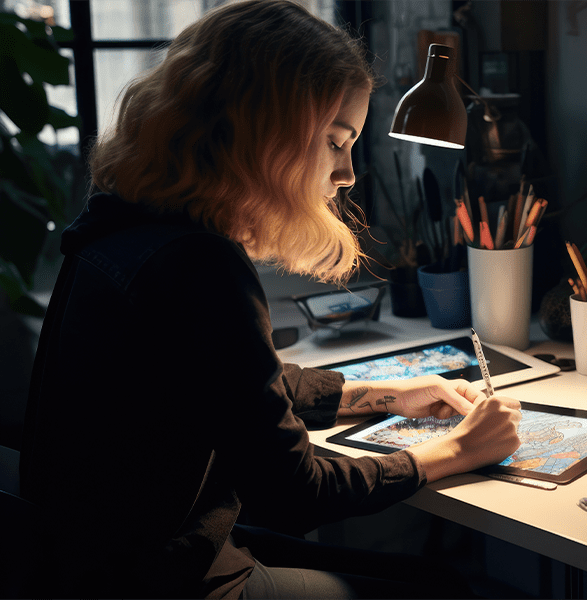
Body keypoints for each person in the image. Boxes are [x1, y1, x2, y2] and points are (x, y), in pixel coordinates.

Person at [19, 1, 522, 598]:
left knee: (434, 578)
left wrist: (382, 395)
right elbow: (293, 494)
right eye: (336, 143)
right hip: (168, 581)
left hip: (108, 566)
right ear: (267, 135)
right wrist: (456, 450)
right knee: (448, 591)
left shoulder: (117, 226)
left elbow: (231, 382)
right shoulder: (200, 264)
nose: (349, 174)